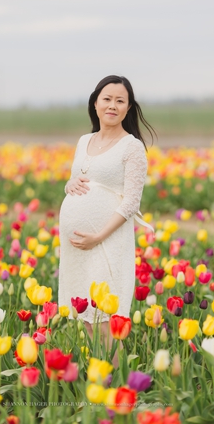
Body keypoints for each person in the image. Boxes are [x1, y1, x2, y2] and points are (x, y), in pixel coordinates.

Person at [57, 75, 155, 364]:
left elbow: (131, 203)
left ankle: (120, 389)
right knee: (87, 318)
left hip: (107, 241)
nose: (112, 105)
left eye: (120, 101)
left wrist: (98, 235)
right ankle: (100, 380)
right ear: (96, 103)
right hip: (77, 247)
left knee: (106, 320)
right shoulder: (84, 140)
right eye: (107, 99)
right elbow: (80, 179)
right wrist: (69, 185)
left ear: (128, 108)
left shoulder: (132, 147)